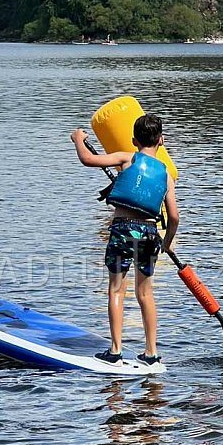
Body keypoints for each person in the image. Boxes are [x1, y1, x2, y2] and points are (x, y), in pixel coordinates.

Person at [71, 114, 179, 365]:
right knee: (145, 294)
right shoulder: (167, 176)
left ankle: (116, 351)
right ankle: (151, 353)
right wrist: (167, 241)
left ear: (133, 140)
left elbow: (88, 159)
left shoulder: (127, 157)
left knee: (117, 289)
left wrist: (78, 139)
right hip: (150, 234)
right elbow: (173, 217)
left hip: (123, 231)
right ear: (161, 140)